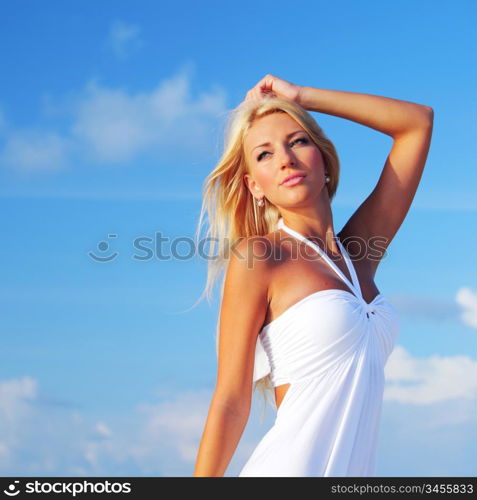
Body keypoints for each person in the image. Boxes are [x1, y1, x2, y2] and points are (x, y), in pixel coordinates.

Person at [193, 75, 434, 477]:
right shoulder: (260, 256)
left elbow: (417, 123)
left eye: (297, 141)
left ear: (324, 159)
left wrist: (303, 97)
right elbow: (231, 400)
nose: (285, 158)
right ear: (255, 186)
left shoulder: (359, 254)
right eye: (264, 154)